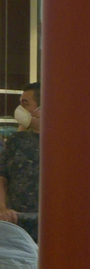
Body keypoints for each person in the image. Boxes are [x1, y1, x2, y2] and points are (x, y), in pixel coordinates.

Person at [0, 82, 41, 239]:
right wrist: (2, 208)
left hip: (52, 222)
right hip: (16, 223)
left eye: (25, 104)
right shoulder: (16, 141)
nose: (20, 110)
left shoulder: (64, 143)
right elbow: (2, 176)